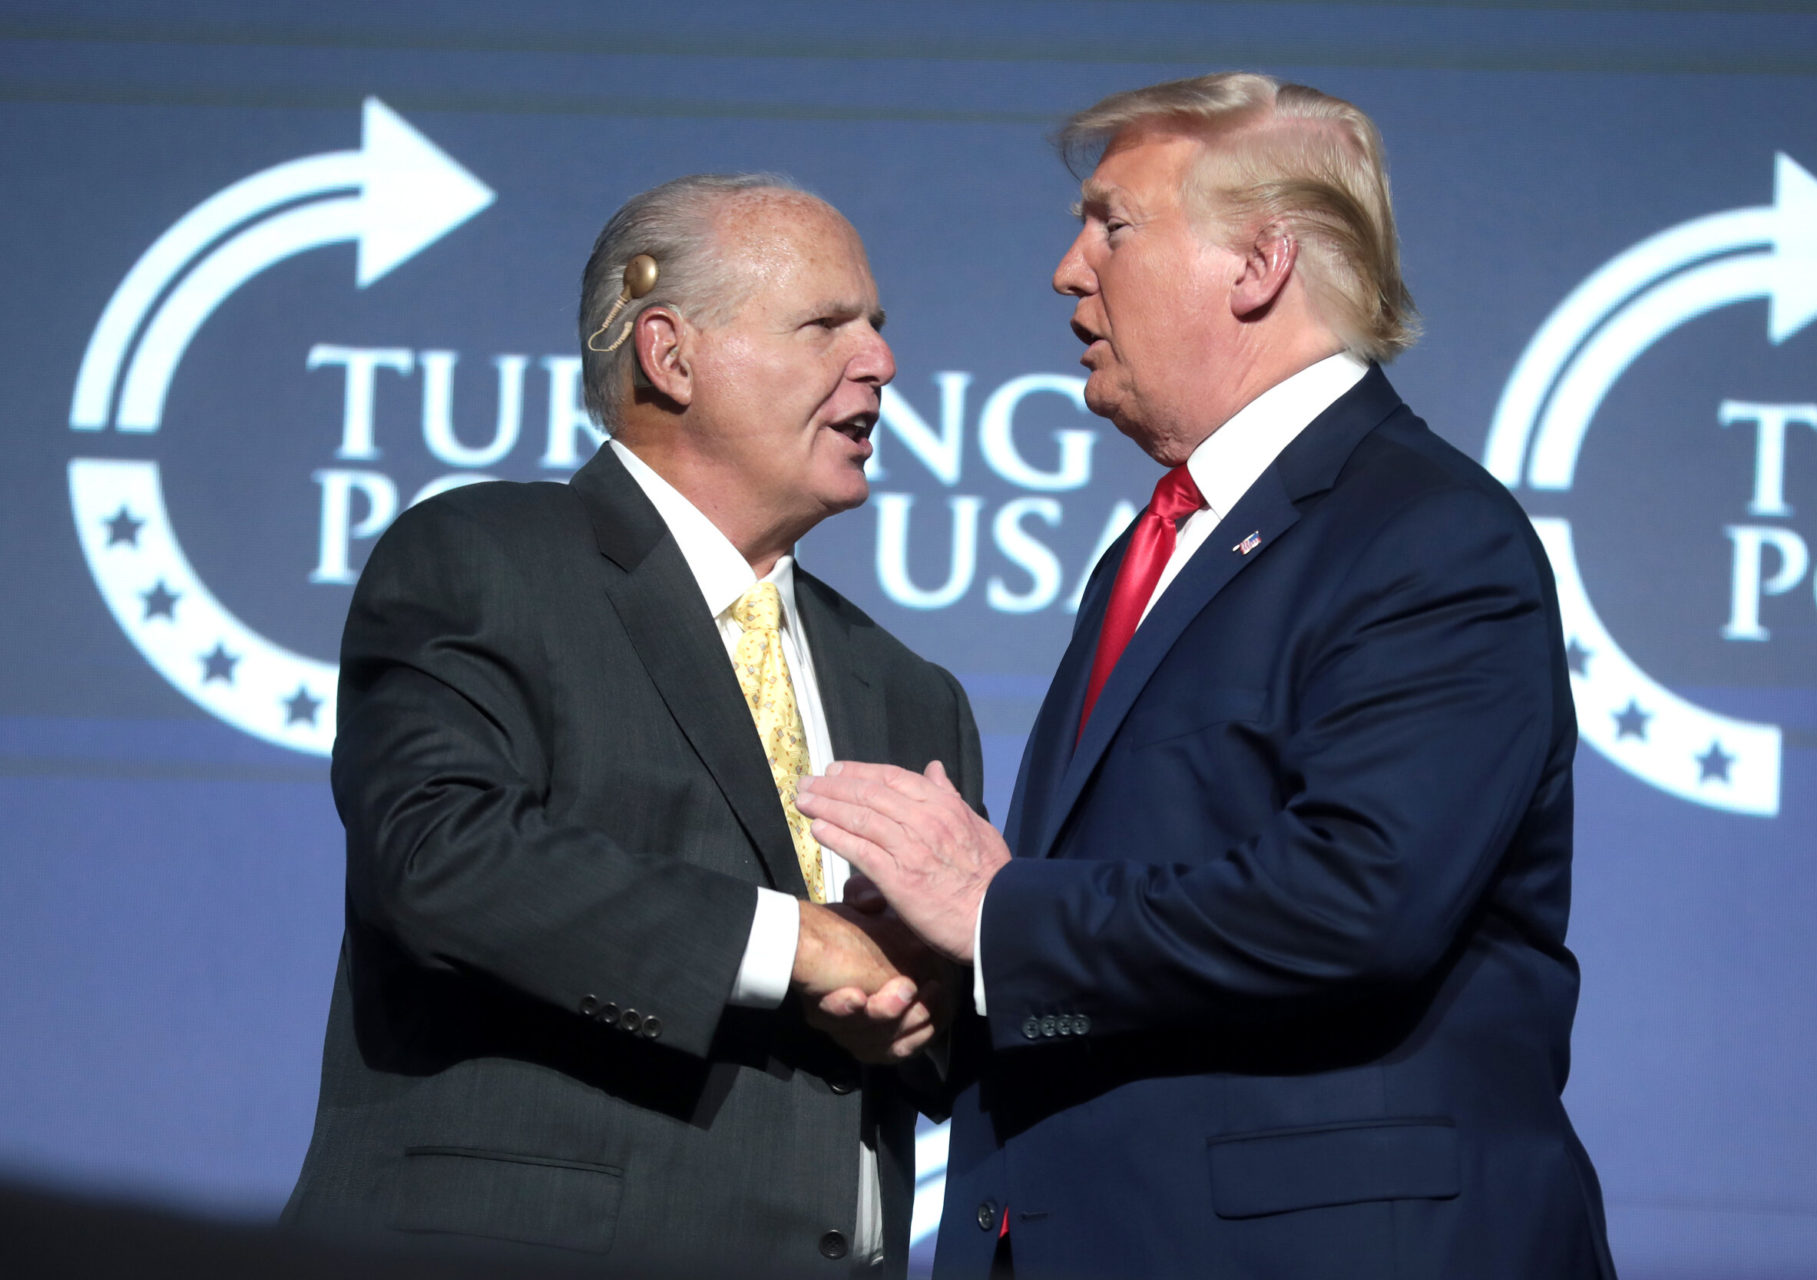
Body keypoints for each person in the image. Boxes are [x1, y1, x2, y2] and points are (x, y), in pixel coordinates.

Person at [797, 74, 1616, 1279]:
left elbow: (1358, 897)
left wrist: (999, 913)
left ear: (1259, 265)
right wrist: (946, 975)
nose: (1069, 270)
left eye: (1112, 224)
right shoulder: (1158, 544)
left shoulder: (1427, 534)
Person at [284, 174, 981, 1278]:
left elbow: (934, 1043)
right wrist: (791, 940)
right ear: (671, 354)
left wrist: (938, 993)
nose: (880, 363)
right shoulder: (485, 557)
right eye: (825, 325)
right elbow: (440, 859)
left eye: (878, 329)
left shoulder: (909, 688)